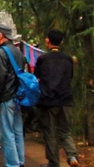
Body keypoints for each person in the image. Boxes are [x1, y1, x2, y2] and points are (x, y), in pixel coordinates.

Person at [34, 29, 79, 167]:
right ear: (62, 42)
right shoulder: (68, 59)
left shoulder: (43, 59)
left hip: (48, 101)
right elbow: (69, 77)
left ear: (48, 41)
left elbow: (37, 75)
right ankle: (72, 157)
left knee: (50, 132)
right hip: (65, 100)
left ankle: (53, 162)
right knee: (65, 131)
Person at [0, 23, 26, 167]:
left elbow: (0, 78)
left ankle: (12, 164)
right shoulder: (17, 51)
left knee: (7, 133)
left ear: (1, 36)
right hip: (18, 95)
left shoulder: (1, 53)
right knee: (17, 131)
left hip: (6, 96)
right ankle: (20, 161)